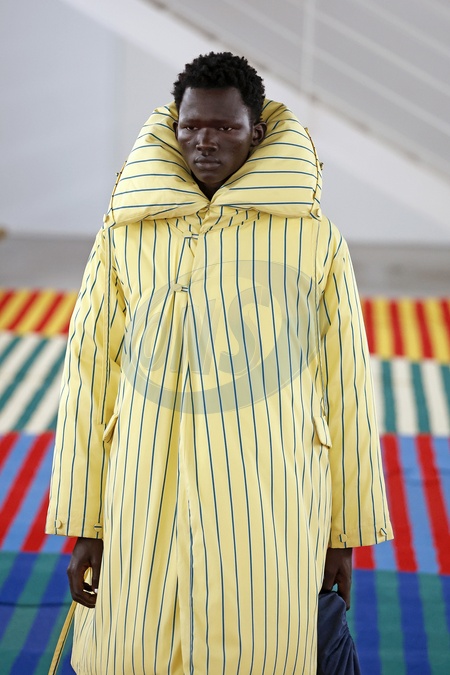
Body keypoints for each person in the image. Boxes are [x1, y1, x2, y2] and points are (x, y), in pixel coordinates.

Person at [46, 52, 393, 674]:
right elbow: (88, 375)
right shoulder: (124, 233)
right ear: (174, 126)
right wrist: (86, 521)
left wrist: (344, 533)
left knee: (259, 642)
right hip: (143, 483)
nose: (204, 140)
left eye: (225, 127)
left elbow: (347, 385)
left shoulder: (313, 238)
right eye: (191, 126)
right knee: (137, 645)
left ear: (255, 132)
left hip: (270, 490)